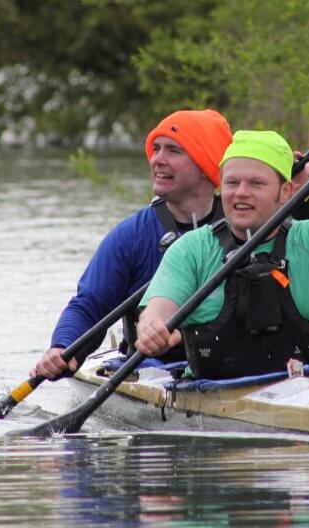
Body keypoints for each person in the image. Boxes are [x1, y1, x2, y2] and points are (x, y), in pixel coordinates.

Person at [135, 130, 309, 380]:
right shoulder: (191, 248)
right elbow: (158, 310)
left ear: (286, 192)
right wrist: (152, 329)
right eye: (232, 183)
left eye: (256, 184)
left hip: (306, 391)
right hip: (212, 394)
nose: (241, 192)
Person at [31, 109, 234, 380]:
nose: (157, 159)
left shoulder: (247, 225)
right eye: (156, 148)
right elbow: (89, 305)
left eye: (173, 150)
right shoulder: (131, 236)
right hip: (156, 369)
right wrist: (63, 346)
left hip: (234, 364)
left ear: (205, 168)